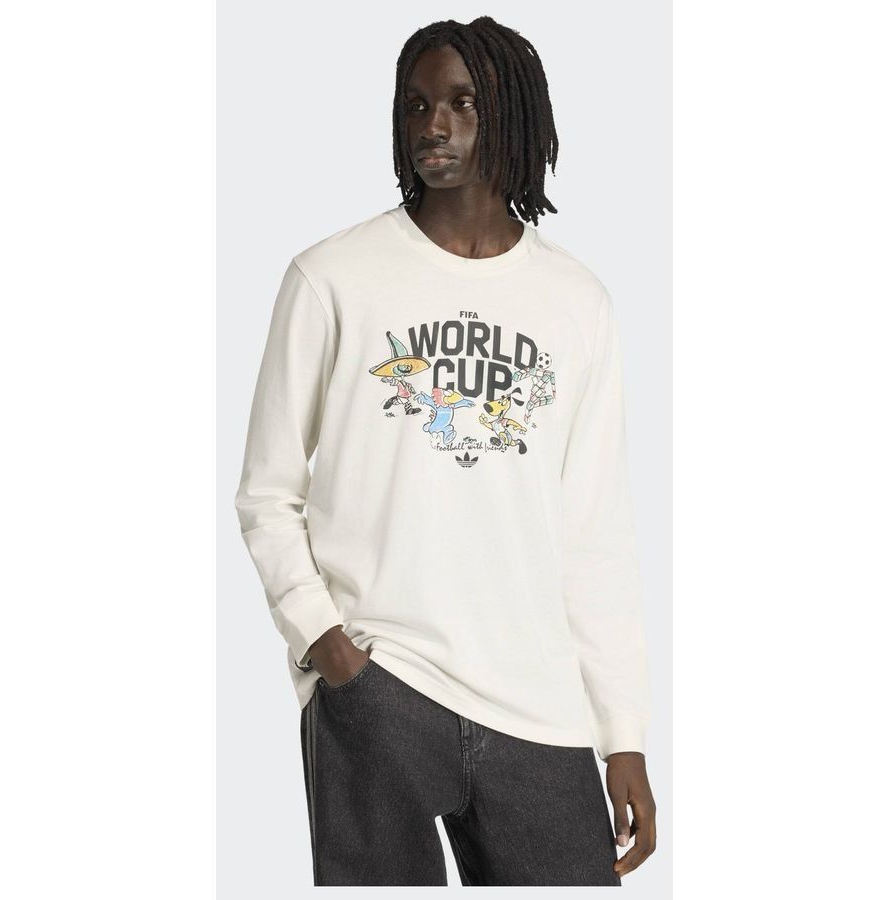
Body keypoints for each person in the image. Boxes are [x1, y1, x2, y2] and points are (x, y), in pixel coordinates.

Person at [234, 15, 656, 887]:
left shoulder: (576, 302)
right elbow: (268, 492)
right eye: (417, 105)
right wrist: (328, 649)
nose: (435, 125)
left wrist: (624, 736)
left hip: (536, 704)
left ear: (513, 114)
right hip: (378, 687)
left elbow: (595, 534)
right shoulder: (331, 277)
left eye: (463, 103)